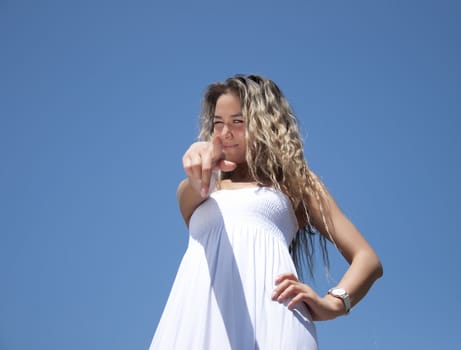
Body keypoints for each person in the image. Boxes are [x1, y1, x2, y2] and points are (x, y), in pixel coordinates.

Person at [149, 74, 383, 349]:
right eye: (218, 124)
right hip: (195, 321)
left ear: (264, 123)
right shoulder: (200, 188)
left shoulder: (295, 183)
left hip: (274, 321)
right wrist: (200, 157)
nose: (225, 133)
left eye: (237, 122)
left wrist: (333, 303)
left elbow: (367, 259)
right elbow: (194, 186)